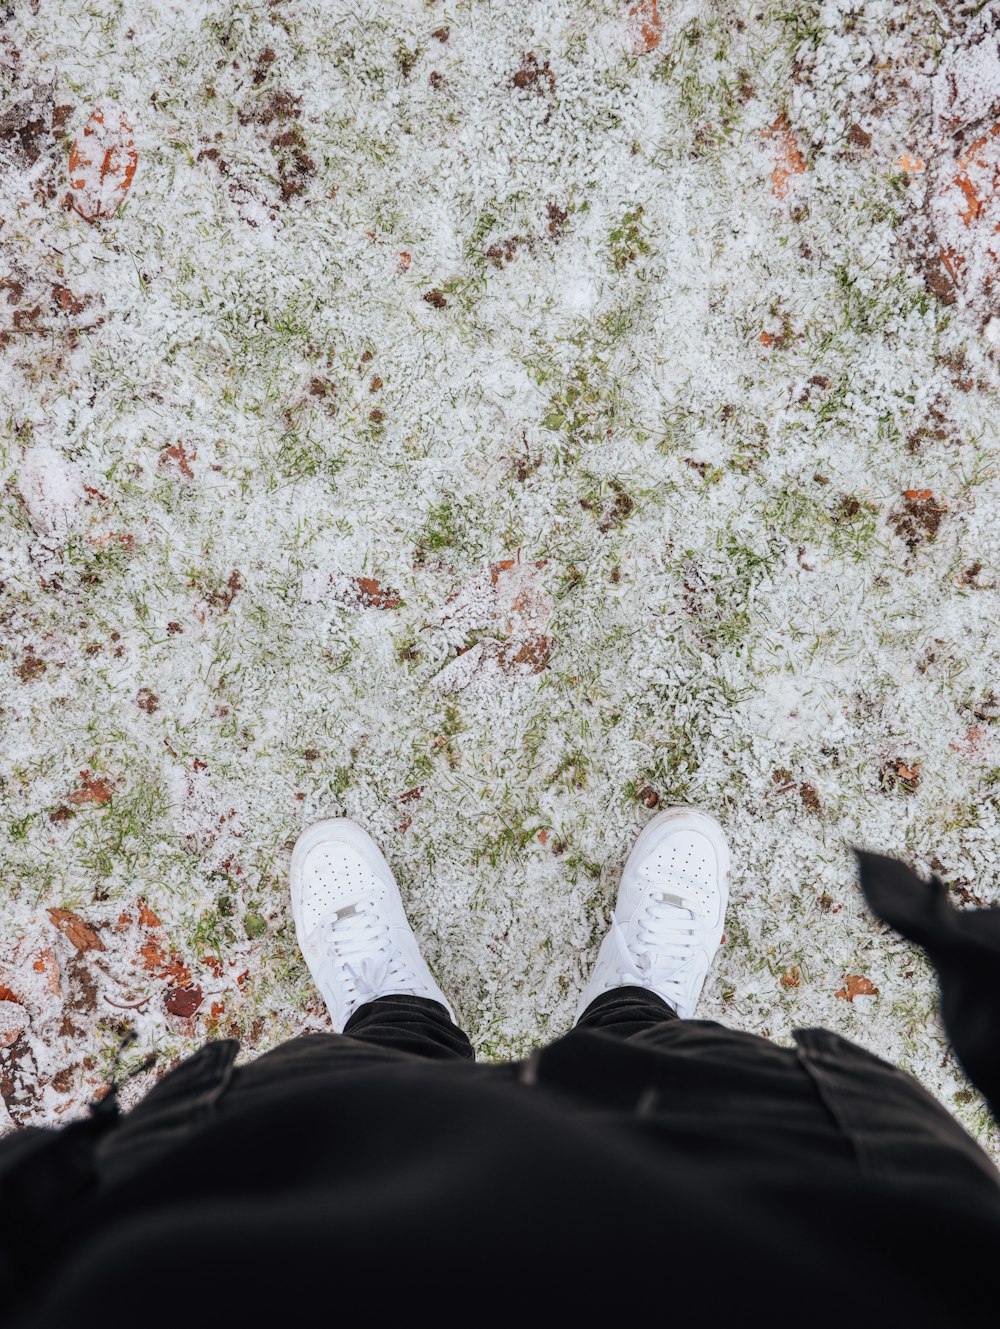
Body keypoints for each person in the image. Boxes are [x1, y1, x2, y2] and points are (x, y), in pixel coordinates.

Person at [2, 807, 998, 1326]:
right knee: (684, 1082)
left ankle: (392, 1024)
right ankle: (637, 1009)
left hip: (237, 1260)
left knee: (337, 1108)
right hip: (814, 1234)